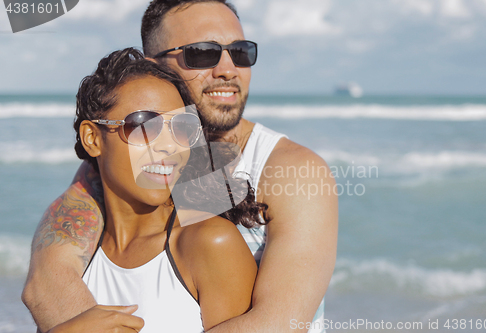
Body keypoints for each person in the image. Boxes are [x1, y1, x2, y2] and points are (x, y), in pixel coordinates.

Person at [22, 1, 338, 332]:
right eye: (202, 53)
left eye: (241, 52)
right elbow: (48, 281)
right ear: (152, 67)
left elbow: (280, 324)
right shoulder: (118, 165)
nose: (228, 69)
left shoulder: (291, 170)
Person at [46, 47, 263, 332]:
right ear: (92, 138)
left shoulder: (209, 244)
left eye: (181, 128)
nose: (168, 145)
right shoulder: (70, 257)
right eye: (144, 125)